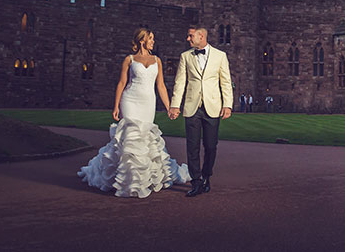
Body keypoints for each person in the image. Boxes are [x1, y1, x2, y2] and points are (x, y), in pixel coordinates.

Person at [78, 28, 190, 198]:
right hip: (130, 100)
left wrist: (169, 107)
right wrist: (116, 106)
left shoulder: (157, 60)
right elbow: (122, 83)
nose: (153, 41)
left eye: (153, 38)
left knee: (144, 138)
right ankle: (127, 181)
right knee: (129, 137)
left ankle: (143, 179)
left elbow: (160, 85)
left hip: (148, 102)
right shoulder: (129, 60)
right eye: (150, 38)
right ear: (141, 40)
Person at [169, 27, 233, 198]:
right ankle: (196, 181)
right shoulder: (185, 56)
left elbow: (226, 82)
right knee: (192, 147)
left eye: (191, 36)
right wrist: (175, 105)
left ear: (201, 36)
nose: (188, 38)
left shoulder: (220, 56)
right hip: (192, 107)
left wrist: (228, 105)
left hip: (213, 107)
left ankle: (206, 176)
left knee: (211, 146)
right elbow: (180, 82)